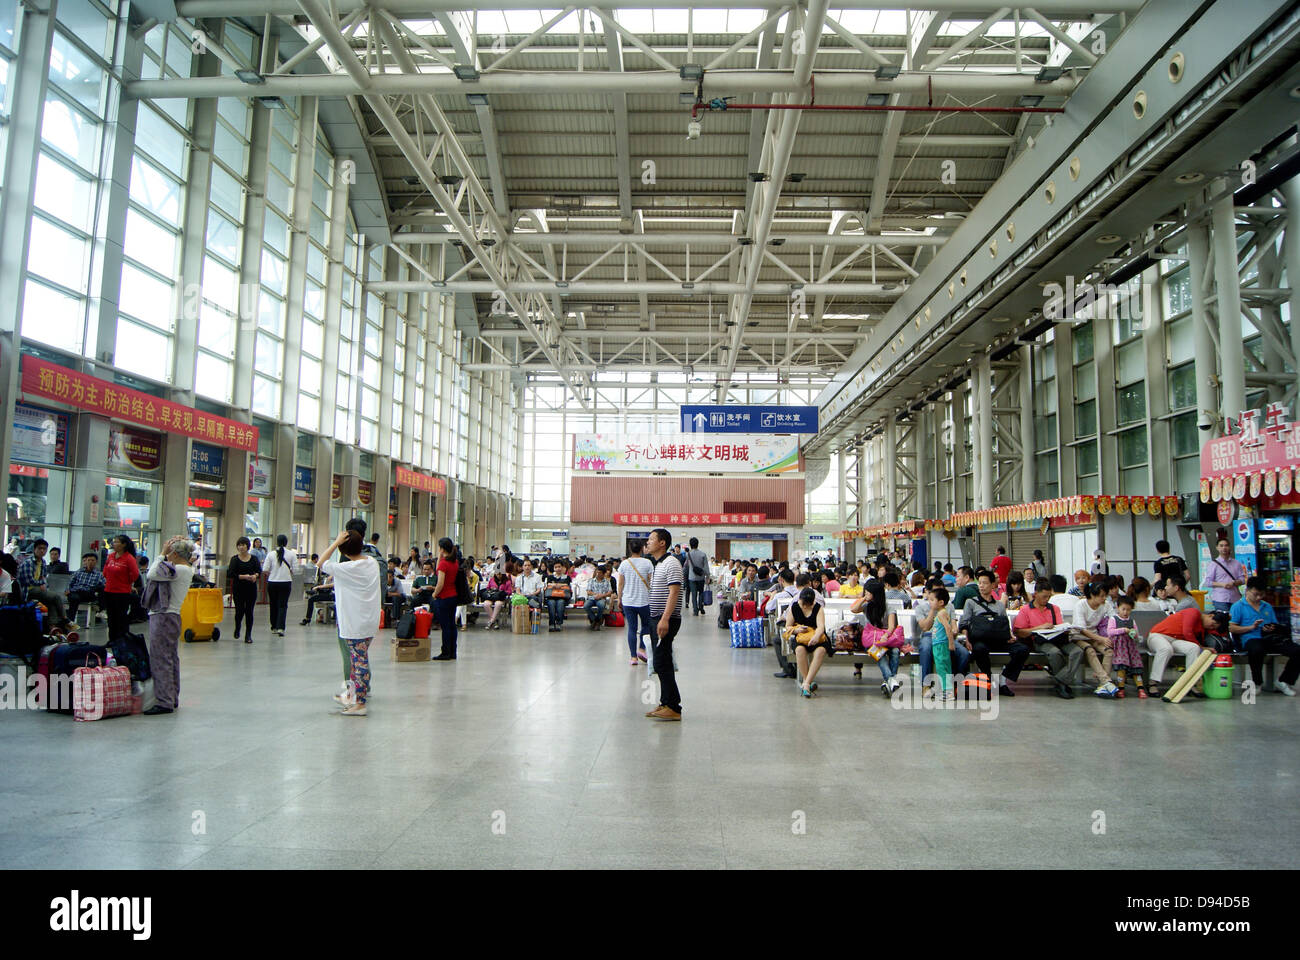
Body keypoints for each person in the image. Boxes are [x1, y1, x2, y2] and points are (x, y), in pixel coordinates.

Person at [319, 527, 381, 716]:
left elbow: (321, 563)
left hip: (355, 623)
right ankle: (352, 696)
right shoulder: (371, 562)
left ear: (343, 551)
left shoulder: (347, 567)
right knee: (357, 661)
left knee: (359, 662)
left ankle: (360, 704)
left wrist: (336, 542)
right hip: (368, 621)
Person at [140, 537, 194, 716]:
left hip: (162, 616)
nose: (167, 557)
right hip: (172, 616)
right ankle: (171, 697)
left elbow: (151, 573)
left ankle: (164, 701)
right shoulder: (185, 569)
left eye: (170, 553)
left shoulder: (178, 569)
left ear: (176, 554)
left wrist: (161, 554)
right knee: (170, 658)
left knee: (160, 658)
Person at [959, 569, 1028, 698]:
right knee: (979, 649)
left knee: (1022, 650)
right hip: (980, 639)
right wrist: (967, 639)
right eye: (979, 583)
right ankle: (988, 680)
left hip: (999, 639)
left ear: (992, 585)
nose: (981, 585)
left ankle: (1003, 680)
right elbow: (964, 623)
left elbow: (1004, 624)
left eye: (984, 583)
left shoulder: (999, 605)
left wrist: (1010, 635)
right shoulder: (971, 602)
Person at [1229, 576, 1299, 696]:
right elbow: (1232, 628)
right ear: (1247, 590)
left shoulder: (1267, 606)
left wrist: (1272, 628)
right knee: (1256, 649)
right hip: (1250, 638)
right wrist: (1251, 627)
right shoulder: (1238, 606)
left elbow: (1275, 624)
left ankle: (1284, 681)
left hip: (1269, 639)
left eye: (1261, 594)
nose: (1258, 597)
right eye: (1256, 594)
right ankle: (1257, 682)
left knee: (1297, 651)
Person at [1013, 580, 1081, 699]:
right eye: (1044, 596)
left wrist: (1063, 628)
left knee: (1077, 652)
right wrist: (1039, 628)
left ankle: (1060, 680)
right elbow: (1019, 632)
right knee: (1054, 653)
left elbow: (1059, 624)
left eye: (1049, 596)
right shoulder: (1026, 610)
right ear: (1035, 594)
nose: (1047, 599)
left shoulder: (1054, 608)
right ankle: (1063, 684)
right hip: (1040, 640)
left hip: (1057, 638)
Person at [645, 528, 684, 721]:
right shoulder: (658, 564)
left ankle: (674, 707)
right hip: (657, 617)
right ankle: (666, 703)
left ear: (662, 543)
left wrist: (665, 619)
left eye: (651, 539)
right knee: (662, 661)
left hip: (665, 618)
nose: (648, 542)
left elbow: (674, 592)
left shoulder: (671, 563)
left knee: (662, 661)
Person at [1146, 605, 1225, 697]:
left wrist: (1201, 647)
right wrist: (1202, 647)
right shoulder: (1194, 612)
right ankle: (1152, 683)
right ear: (1210, 616)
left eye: (1213, 627)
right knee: (1166, 649)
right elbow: (1187, 632)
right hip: (1158, 636)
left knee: (1194, 648)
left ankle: (1189, 684)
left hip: (1175, 640)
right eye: (1212, 624)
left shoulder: (1202, 627)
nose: (1211, 627)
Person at [853, 580, 902, 695]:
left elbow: (891, 627)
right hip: (872, 641)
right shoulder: (866, 606)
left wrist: (885, 636)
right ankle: (892, 680)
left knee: (895, 651)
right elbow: (854, 609)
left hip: (887, 640)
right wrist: (864, 599)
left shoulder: (889, 607)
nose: (866, 594)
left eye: (868, 593)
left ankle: (888, 681)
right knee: (880, 654)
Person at [1070, 582, 1119, 698]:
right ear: (1092, 595)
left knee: (1109, 651)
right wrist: (1101, 639)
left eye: (1105, 595)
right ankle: (1107, 682)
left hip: (1095, 636)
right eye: (1101, 596)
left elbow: (1114, 619)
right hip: (1078, 636)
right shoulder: (1080, 605)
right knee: (1090, 651)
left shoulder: (1105, 605)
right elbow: (1081, 629)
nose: (1104, 598)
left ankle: (1103, 685)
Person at [785, 587, 830, 699]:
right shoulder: (794, 607)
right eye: (803, 604)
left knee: (820, 651)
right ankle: (808, 683)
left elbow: (821, 627)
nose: (804, 606)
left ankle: (806, 684)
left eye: (807, 604)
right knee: (800, 650)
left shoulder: (818, 608)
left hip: (817, 638)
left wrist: (815, 636)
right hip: (801, 638)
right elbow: (788, 626)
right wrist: (796, 630)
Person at [616, 542, 654, 665]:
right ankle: (642, 649)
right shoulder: (647, 563)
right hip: (644, 600)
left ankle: (633, 657)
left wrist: (619, 598)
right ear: (642, 549)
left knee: (632, 628)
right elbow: (651, 581)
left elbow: (621, 583)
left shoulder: (624, 563)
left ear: (629, 549)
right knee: (646, 626)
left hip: (628, 600)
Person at [1102, 595, 1146, 698]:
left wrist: (1133, 633)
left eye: (1128, 610)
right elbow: (1110, 632)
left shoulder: (1132, 621)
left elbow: (1136, 633)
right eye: (1123, 609)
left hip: (1131, 648)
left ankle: (1140, 688)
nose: (1125, 612)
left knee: (1136, 667)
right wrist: (1123, 630)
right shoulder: (1113, 619)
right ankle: (1121, 688)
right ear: (1118, 608)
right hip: (1119, 648)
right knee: (1121, 667)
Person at [16, 539, 68, 626]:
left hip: (38, 590)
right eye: (40, 548)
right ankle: (65, 619)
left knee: (51, 602)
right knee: (56, 597)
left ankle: (53, 627)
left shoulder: (43, 562)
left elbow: (44, 577)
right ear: (34, 549)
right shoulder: (28, 562)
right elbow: (29, 581)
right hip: (27, 590)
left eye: (44, 549)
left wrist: (42, 583)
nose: (42, 551)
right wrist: (41, 583)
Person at [101, 535, 140, 642]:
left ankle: (122, 641)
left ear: (124, 545)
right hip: (109, 591)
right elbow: (105, 571)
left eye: (117, 542)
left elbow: (135, 574)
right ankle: (112, 640)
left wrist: (127, 582)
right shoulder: (111, 556)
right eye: (114, 542)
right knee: (111, 618)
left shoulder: (129, 558)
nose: (114, 544)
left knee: (120, 618)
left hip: (122, 592)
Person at [226, 537, 261, 643]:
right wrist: (243, 576)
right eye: (239, 545)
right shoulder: (234, 559)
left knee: (249, 611)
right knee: (239, 610)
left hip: (251, 588)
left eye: (243, 545)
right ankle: (237, 628)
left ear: (247, 546)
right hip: (238, 588)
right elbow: (230, 574)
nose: (241, 547)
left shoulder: (254, 559)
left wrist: (255, 575)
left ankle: (248, 635)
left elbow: (259, 570)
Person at [432, 538, 462, 660]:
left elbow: (440, 583)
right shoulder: (454, 562)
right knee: (451, 625)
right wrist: (440, 556)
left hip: (444, 597)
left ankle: (445, 652)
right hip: (453, 596)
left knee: (445, 626)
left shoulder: (444, 564)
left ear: (442, 548)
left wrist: (434, 594)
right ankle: (452, 651)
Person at [261, 534, 296, 637]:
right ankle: (281, 627)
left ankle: (274, 627)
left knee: (273, 604)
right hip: (286, 582)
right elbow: (295, 569)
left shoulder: (271, 554)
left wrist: (273, 574)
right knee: (283, 605)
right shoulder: (291, 554)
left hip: (272, 583)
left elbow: (265, 570)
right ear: (286, 542)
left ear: (277, 542)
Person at [1203, 537, 1246, 613]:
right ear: (1217, 548)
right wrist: (1222, 585)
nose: (1224, 548)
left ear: (1229, 547)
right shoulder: (1213, 564)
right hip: (1220, 598)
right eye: (1221, 546)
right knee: (1223, 621)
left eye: (1226, 545)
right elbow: (1207, 582)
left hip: (1235, 598)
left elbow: (1242, 580)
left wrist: (1234, 583)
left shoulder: (1236, 563)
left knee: (1235, 620)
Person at [65, 553, 106, 624]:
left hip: (89, 593)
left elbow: (104, 584)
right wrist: (67, 589)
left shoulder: (99, 574)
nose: (90, 562)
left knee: (103, 588)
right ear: (85, 561)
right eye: (88, 560)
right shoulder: (79, 572)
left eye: (92, 560)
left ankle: (101, 610)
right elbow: (70, 582)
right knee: (74, 599)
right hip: (76, 592)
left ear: (96, 562)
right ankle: (70, 622)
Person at [585, 565, 615, 630]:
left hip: (601, 598)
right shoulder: (591, 580)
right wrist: (595, 594)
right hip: (592, 598)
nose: (598, 574)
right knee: (586, 606)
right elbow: (588, 591)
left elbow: (610, 592)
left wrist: (601, 595)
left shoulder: (607, 582)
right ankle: (596, 620)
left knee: (601, 605)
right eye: (597, 572)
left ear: (603, 573)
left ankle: (595, 621)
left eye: (600, 573)